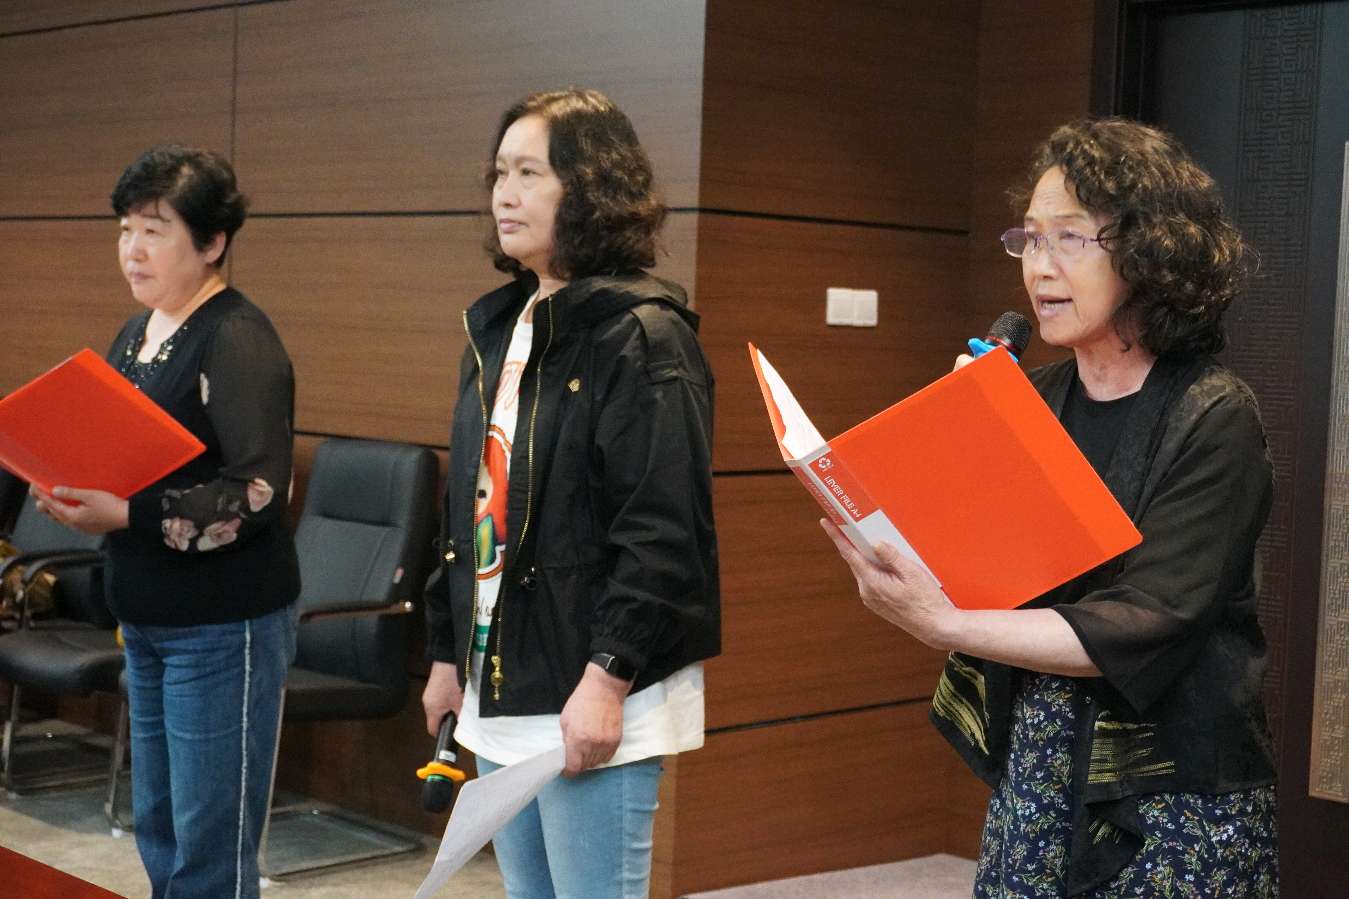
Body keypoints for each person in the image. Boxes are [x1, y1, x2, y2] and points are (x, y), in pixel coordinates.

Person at [823, 118, 1278, 897]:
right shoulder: (1028, 400)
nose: (1039, 265)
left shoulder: (1212, 416)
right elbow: (980, 569)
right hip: (1038, 763)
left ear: (1148, 251)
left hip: (1173, 787)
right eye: (1030, 239)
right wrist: (945, 454)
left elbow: (1146, 618)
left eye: (1069, 238)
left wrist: (942, 624)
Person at [421, 88, 719, 899]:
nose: (505, 194)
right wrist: (446, 651)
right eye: (499, 173)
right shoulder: (503, 326)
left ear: (589, 190)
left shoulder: (643, 335)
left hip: (589, 689)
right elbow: (471, 505)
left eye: (530, 174)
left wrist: (607, 676)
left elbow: (661, 534)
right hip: (500, 682)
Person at [32, 145, 299, 899]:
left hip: (221, 623)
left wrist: (127, 512)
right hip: (146, 613)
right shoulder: (136, 332)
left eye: (155, 230)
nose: (133, 249)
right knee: (159, 824)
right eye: (125, 229)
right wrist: (74, 489)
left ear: (211, 242)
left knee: (208, 841)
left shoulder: (236, 337)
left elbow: (257, 492)